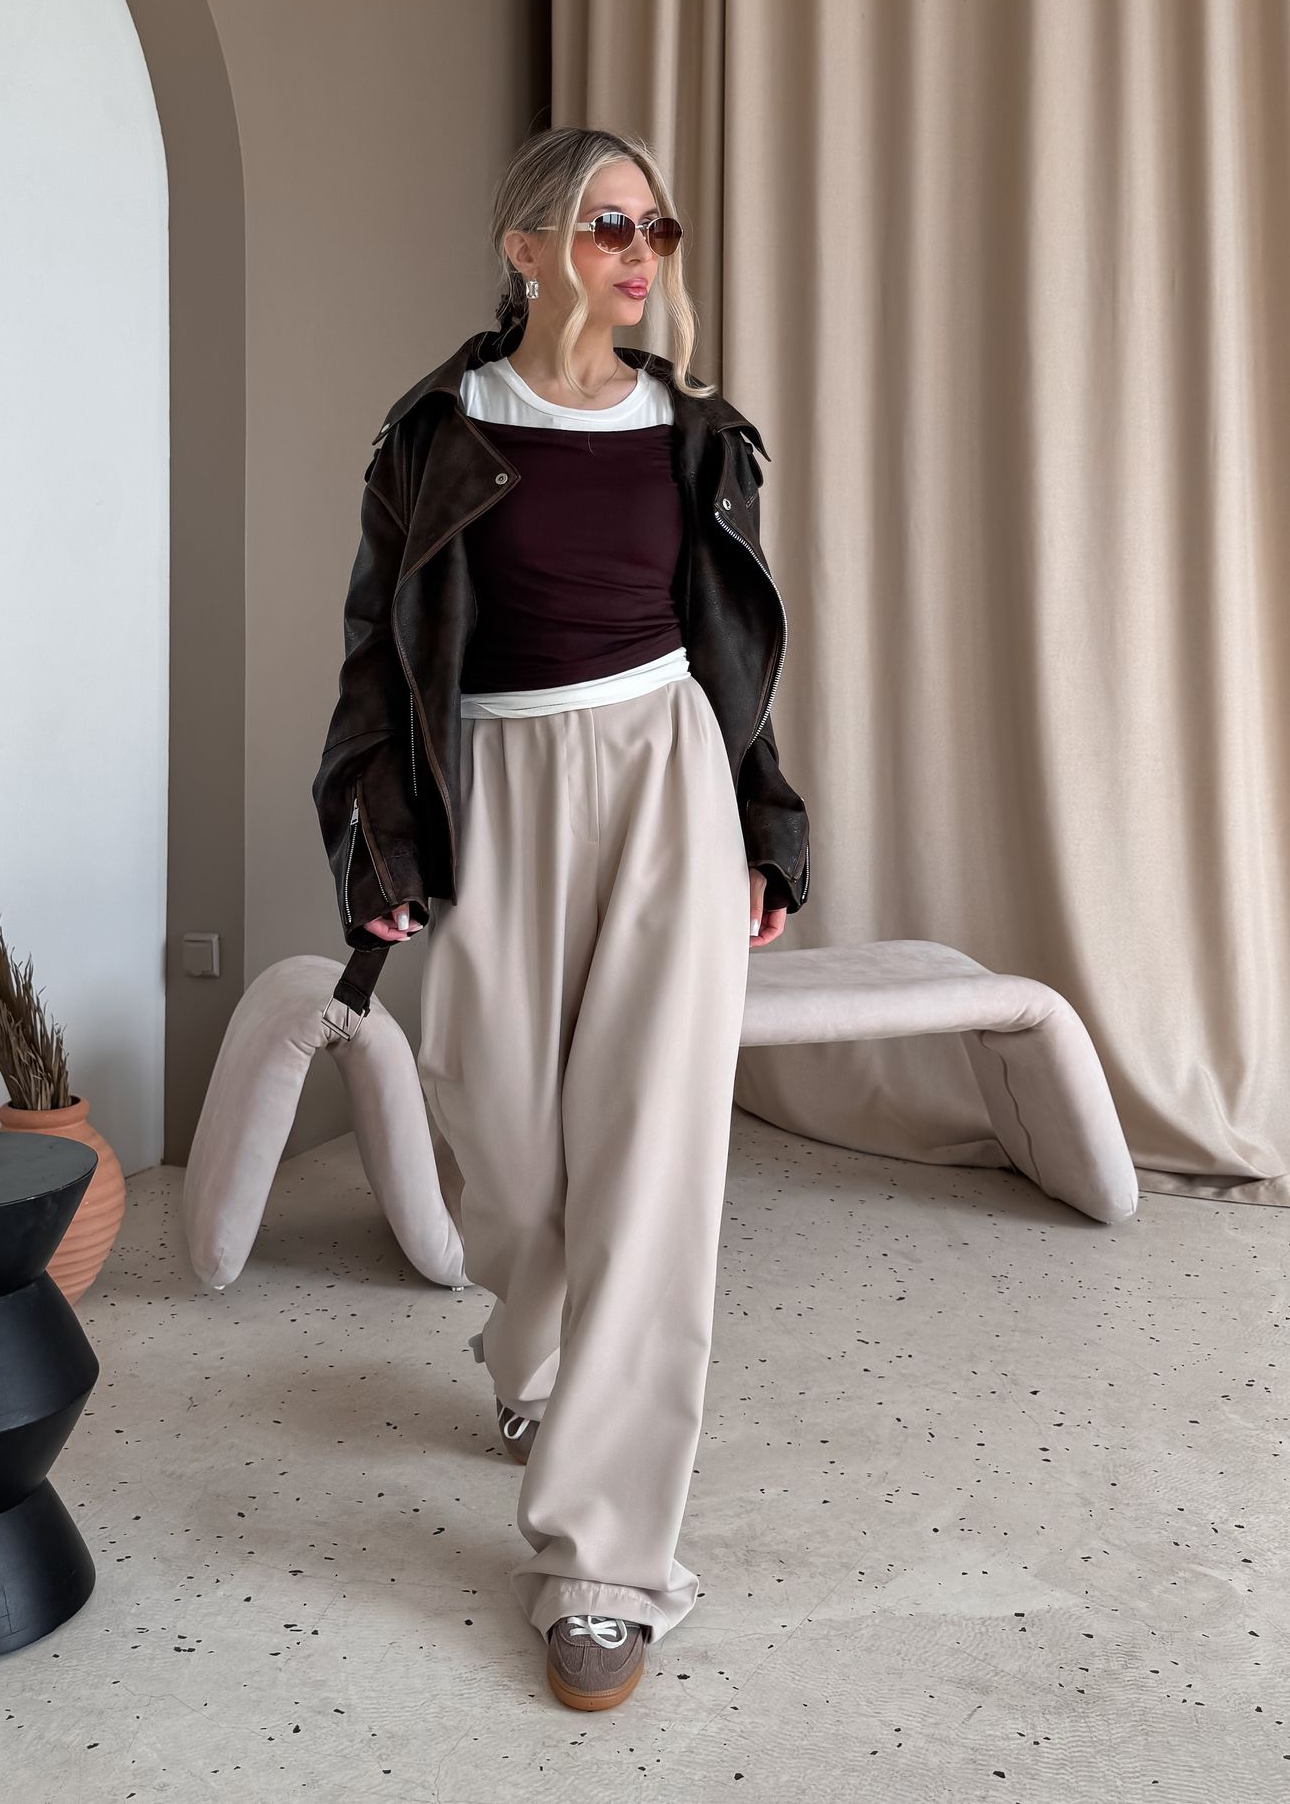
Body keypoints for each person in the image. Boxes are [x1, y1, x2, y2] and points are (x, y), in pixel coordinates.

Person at [312, 126, 810, 1711]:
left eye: (656, 228)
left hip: (666, 782)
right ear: (525, 248)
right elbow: (377, 665)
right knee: (511, 1153)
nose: (641, 254)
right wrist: (377, 851)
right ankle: (530, 1357)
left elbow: (734, 654)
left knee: (653, 1170)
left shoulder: (697, 434)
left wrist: (765, 830)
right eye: (608, 226)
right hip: (499, 794)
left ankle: (604, 1566)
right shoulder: (436, 432)